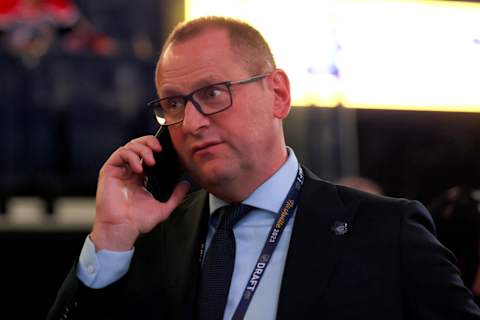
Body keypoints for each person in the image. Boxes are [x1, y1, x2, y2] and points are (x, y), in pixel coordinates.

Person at [47, 16, 480, 320]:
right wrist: (110, 239)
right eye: (174, 103)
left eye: (213, 92)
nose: (193, 122)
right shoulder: (145, 240)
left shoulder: (388, 232)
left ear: (278, 94)